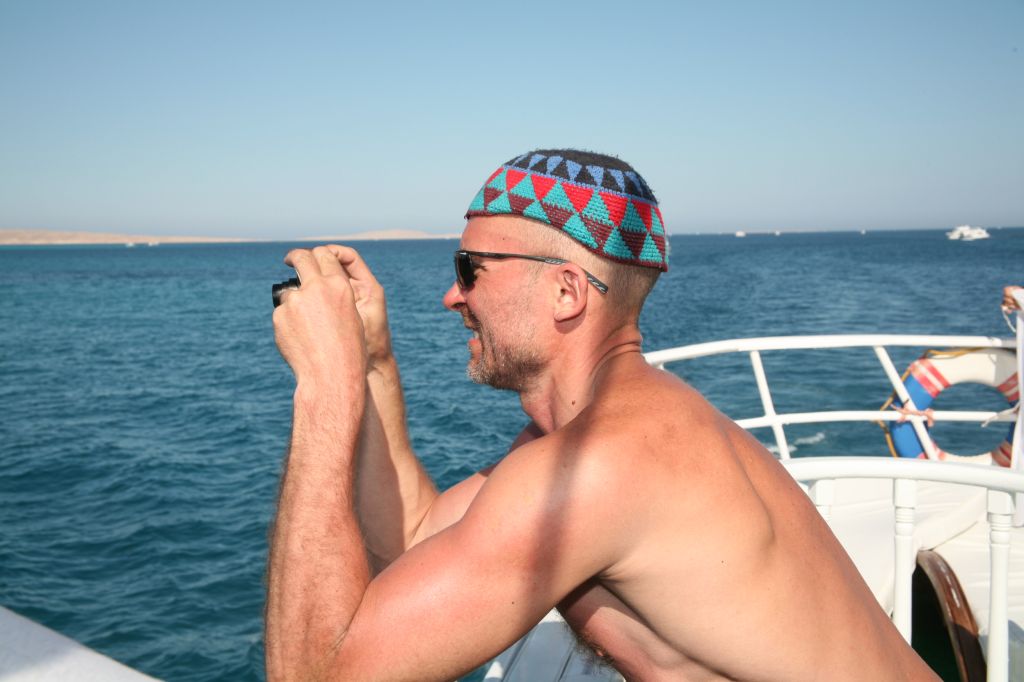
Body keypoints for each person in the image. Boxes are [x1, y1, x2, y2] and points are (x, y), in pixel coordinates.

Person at [266, 149, 938, 681]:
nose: (452, 296)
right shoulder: (603, 435)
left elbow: (313, 674)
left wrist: (327, 383)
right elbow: (413, 537)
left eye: (470, 269)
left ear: (566, 292)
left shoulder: (604, 467)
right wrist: (374, 363)